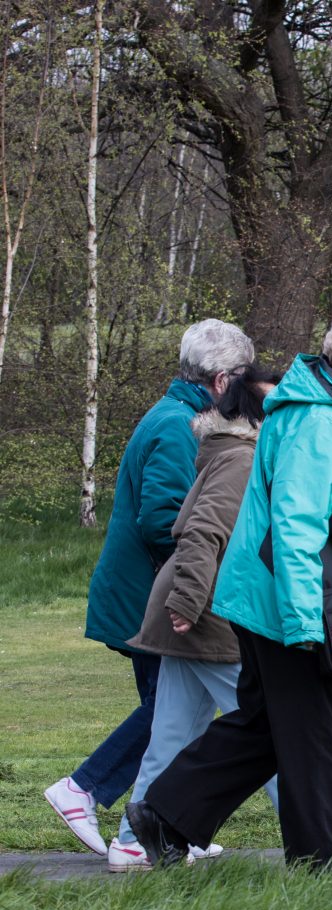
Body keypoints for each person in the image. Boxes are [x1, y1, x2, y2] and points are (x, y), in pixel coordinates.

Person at [127, 297, 332, 869]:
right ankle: (321, 860)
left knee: (264, 727)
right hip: (295, 604)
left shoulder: (328, 408)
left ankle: (163, 815)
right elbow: (296, 526)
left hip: (289, 598)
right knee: (318, 738)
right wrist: (305, 623)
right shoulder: (318, 421)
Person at [45, 320, 255, 857]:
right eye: (244, 379)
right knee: (181, 715)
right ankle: (89, 793)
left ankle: (150, 834)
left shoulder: (178, 417)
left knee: (174, 715)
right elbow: (164, 517)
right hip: (151, 601)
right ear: (222, 379)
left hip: (151, 596)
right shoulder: (177, 426)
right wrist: (194, 587)